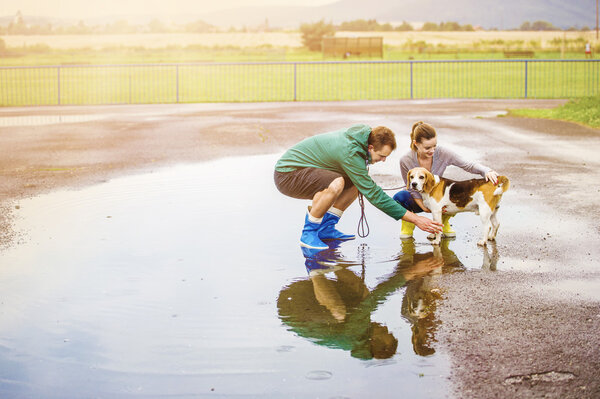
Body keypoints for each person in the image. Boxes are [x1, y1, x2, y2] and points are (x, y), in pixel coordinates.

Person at [274, 124, 442, 250]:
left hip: (306, 169)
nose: (383, 160)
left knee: (357, 182)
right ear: (370, 147)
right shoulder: (350, 152)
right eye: (381, 156)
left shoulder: (364, 139)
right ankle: (309, 233)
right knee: (337, 183)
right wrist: (416, 219)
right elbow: (374, 195)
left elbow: (364, 184)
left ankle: (326, 228)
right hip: (288, 174)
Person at [393, 121, 499, 239]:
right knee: (400, 198)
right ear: (416, 143)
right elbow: (411, 189)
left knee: (454, 190)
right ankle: (408, 224)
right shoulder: (405, 160)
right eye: (428, 147)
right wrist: (424, 207)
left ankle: (443, 223)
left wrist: (486, 171)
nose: (432, 151)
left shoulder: (442, 153)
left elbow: (467, 164)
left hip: (439, 197)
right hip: (418, 198)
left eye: (435, 146)